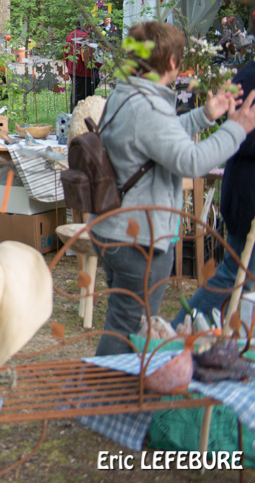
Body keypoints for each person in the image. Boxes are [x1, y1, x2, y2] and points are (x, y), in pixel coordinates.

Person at [92, 21, 255, 355]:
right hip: (136, 237)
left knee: (127, 322)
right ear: (170, 63)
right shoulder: (147, 107)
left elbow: (154, 140)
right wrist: (236, 130)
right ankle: (105, 401)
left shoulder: (128, 95)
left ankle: (114, 397)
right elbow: (191, 161)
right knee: (127, 328)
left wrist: (204, 116)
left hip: (117, 228)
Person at [173, 58, 255, 327]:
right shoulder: (250, 78)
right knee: (235, 275)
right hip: (247, 198)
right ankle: (174, 337)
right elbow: (239, 136)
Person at [63, 23, 100, 110]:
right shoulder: (85, 38)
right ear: (86, 24)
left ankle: (74, 116)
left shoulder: (71, 34)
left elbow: (65, 53)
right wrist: (100, 64)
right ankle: (79, 118)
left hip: (74, 70)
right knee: (82, 100)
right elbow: (88, 58)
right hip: (83, 73)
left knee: (75, 96)